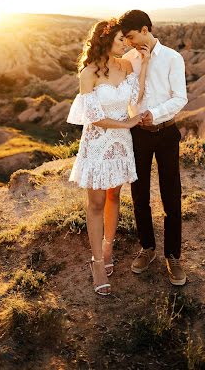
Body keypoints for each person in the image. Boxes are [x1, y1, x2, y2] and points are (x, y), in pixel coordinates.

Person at [67, 18, 149, 296]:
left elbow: (135, 95)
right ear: (105, 40)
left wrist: (145, 64)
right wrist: (126, 124)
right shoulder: (88, 73)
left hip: (121, 144)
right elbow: (92, 117)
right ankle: (97, 263)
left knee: (114, 196)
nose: (125, 44)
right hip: (98, 142)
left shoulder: (125, 65)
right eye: (119, 40)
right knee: (96, 202)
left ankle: (108, 246)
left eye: (126, 40)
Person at [119, 9, 188, 286]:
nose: (129, 43)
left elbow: (180, 97)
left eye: (132, 37)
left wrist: (155, 113)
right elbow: (130, 96)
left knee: (172, 195)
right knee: (139, 194)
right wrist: (136, 115)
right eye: (125, 39)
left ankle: (173, 256)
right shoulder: (128, 60)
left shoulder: (173, 57)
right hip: (138, 135)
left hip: (167, 131)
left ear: (146, 30)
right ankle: (147, 248)